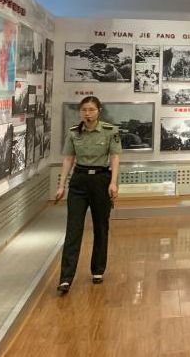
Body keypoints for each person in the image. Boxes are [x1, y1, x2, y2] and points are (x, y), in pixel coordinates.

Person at [55, 96, 121, 294]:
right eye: (84, 110)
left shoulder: (110, 131)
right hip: (79, 181)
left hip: (101, 180)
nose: (87, 113)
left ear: (99, 111)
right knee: (73, 229)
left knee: (101, 227)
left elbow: (115, 157)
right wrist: (61, 185)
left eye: (91, 109)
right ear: (80, 112)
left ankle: (98, 270)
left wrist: (113, 183)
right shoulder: (74, 132)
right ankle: (66, 278)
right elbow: (68, 159)